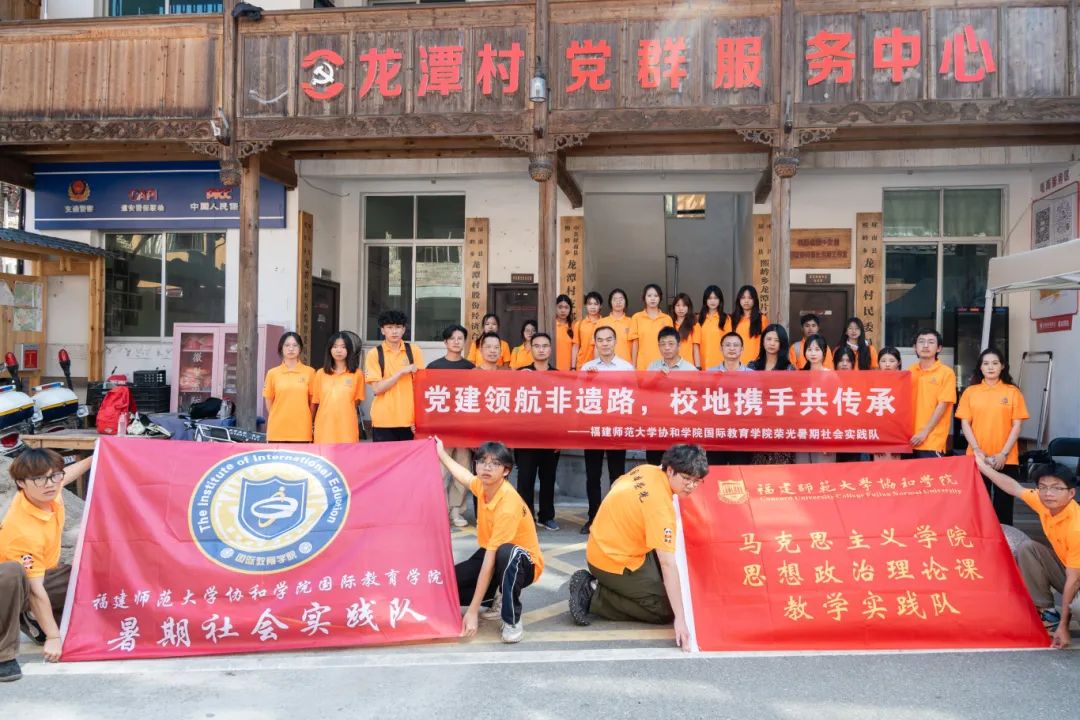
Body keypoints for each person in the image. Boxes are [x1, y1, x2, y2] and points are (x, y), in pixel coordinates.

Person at [567, 444, 709, 651]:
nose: (691, 486)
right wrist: (680, 618)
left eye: (697, 481)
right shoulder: (660, 509)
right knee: (664, 609)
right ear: (670, 470)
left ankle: (616, 587)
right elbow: (667, 564)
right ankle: (594, 593)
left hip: (604, 545)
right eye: (687, 478)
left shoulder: (647, 470)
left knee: (666, 581)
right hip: (612, 562)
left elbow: (616, 483)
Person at [436, 438, 544, 644]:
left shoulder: (508, 503)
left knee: (506, 552)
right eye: (482, 461)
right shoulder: (483, 486)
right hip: (493, 554)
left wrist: (472, 611)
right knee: (449, 583)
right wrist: (441, 453)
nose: (487, 467)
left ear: (506, 471)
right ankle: (496, 594)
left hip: (523, 563)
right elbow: (465, 477)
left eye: (495, 463)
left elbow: (490, 560)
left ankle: (511, 619)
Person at [1, 449, 94, 681]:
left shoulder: (47, 493)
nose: (49, 483)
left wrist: (98, 455)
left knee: (83, 572)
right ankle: (4, 656)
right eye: (39, 478)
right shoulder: (22, 530)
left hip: (35, 581)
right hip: (8, 590)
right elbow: (35, 590)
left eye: (54, 476)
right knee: (12, 572)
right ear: (21, 483)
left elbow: (66, 474)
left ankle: (32, 618)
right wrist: (53, 637)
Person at [975, 458, 1079, 649]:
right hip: (1068, 570)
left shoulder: (1076, 528)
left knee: (1078, 606)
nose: (1048, 493)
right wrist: (982, 467)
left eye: (1056, 488)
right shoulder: (1044, 502)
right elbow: (1013, 487)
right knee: (1029, 548)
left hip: (1075, 578)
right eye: (1043, 487)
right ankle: (1048, 613)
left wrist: (1065, 626)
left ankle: (1062, 622)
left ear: (1071, 493)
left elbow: (1073, 580)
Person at [957, 348, 1029, 525]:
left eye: (995, 363)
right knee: (978, 506)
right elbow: (965, 423)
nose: (990, 367)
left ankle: (1005, 539)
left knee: (1004, 507)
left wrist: (1003, 454)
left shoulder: (1012, 392)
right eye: (986, 363)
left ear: (1002, 366)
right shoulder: (970, 392)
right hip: (977, 457)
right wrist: (976, 450)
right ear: (980, 367)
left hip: (1006, 458)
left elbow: (1017, 425)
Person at [579, 325, 633, 534]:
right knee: (592, 476)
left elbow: (634, 397)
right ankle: (593, 517)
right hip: (593, 429)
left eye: (608, 339)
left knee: (617, 475)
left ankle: (615, 518)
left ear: (615, 341)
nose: (605, 344)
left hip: (617, 429)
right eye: (600, 340)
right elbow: (579, 396)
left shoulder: (626, 368)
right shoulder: (587, 368)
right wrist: (588, 380)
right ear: (595, 343)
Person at [427, 324, 476, 528]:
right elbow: (425, 397)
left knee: (461, 471)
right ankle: (439, 510)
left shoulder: (471, 368)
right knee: (439, 472)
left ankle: (457, 510)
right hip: (441, 430)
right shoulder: (433, 367)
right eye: (452, 338)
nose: (456, 342)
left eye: (460, 338)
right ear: (445, 342)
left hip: (464, 429)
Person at [514, 332, 561, 531]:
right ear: (530, 349)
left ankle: (546, 516)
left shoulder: (559, 375)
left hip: (550, 437)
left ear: (550, 349)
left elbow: (563, 409)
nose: (541, 349)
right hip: (525, 437)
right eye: (537, 346)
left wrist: (561, 438)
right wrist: (519, 380)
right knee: (525, 479)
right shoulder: (521, 373)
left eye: (545, 346)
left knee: (548, 479)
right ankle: (525, 517)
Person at [364, 310, 425, 442]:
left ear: (403, 330)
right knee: (385, 456)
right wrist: (401, 372)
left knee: (409, 456)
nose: (394, 331)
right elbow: (377, 389)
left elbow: (421, 388)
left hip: (409, 420)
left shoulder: (414, 351)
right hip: (383, 420)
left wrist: (419, 418)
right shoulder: (374, 354)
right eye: (389, 327)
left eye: (398, 327)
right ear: (382, 330)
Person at [645, 327, 696, 464]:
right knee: (655, 466)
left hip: (680, 427)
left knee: (679, 466)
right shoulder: (653, 366)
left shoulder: (690, 370)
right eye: (662, 344)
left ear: (679, 345)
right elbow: (644, 392)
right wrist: (656, 377)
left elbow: (696, 400)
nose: (666, 348)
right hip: (657, 427)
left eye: (671, 344)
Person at [909, 328, 956, 458]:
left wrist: (924, 433)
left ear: (939, 348)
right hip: (909, 440)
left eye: (930, 342)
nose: (925, 345)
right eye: (921, 341)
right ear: (915, 347)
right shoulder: (910, 371)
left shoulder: (946, 373)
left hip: (931, 440)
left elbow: (942, 406)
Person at [312, 332, 365, 444]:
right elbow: (316, 402)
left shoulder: (357, 374)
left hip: (347, 427)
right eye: (335, 347)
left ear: (349, 350)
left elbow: (357, 401)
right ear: (330, 350)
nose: (338, 350)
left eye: (343, 347)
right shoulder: (320, 373)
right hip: (324, 427)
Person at [263, 331, 316, 442]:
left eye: (295, 345)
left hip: (302, 431)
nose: (291, 349)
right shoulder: (272, 373)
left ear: (300, 348)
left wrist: (308, 420)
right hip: (277, 430)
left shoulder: (310, 372)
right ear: (281, 348)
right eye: (287, 345)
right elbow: (269, 402)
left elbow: (312, 403)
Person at [794, 335, 834, 464]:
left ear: (824, 352)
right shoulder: (800, 376)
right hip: (803, 433)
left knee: (823, 472)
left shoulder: (831, 376)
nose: (813, 353)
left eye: (817, 349)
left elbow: (835, 409)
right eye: (809, 349)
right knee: (802, 471)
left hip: (824, 433)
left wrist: (830, 438)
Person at [630, 284, 674, 371]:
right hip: (642, 365)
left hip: (663, 365)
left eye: (656, 296)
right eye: (649, 295)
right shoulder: (637, 317)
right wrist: (633, 366)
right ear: (644, 298)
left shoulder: (667, 319)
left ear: (660, 298)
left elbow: (671, 343)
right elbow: (635, 344)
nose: (652, 298)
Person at [873, 346, 903, 462]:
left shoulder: (904, 383)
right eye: (883, 361)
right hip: (878, 435)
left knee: (895, 469)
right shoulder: (873, 383)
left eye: (891, 361)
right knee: (879, 469)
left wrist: (899, 440)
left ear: (899, 362)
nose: (887, 364)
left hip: (898, 435)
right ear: (878, 363)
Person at [698, 285, 731, 371]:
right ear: (705, 300)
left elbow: (728, 342)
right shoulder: (699, 319)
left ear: (720, 300)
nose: (713, 301)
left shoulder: (725, 319)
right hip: (702, 362)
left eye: (715, 298)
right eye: (709, 298)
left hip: (720, 363)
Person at [731, 285, 767, 366]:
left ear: (755, 300)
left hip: (755, 363)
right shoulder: (732, 319)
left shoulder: (762, 319)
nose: (746, 301)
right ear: (739, 300)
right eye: (743, 298)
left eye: (750, 298)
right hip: (736, 363)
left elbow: (765, 343)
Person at [571, 291, 604, 371]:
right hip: (582, 365)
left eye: (595, 304)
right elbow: (576, 346)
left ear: (600, 306)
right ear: (585, 305)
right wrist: (573, 367)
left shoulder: (605, 323)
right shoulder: (579, 324)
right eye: (590, 304)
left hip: (601, 366)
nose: (592, 307)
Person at [598, 288, 633, 363]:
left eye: (621, 299)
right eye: (615, 299)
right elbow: (596, 346)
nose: (618, 302)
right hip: (606, 365)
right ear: (610, 302)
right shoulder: (601, 322)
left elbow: (635, 346)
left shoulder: (632, 322)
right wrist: (597, 365)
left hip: (626, 364)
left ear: (625, 302)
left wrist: (633, 365)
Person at [670, 293, 701, 368]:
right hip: (671, 367)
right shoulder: (669, 324)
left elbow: (696, 349)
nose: (681, 308)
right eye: (678, 305)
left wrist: (698, 367)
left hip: (688, 367)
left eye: (684, 306)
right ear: (673, 307)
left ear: (688, 307)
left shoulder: (694, 325)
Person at [554, 294, 575, 372]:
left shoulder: (574, 326)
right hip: (552, 368)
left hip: (569, 370)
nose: (563, 310)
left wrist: (573, 367)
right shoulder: (551, 326)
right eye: (560, 307)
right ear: (555, 308)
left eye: (566, 307)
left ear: (570, 309)